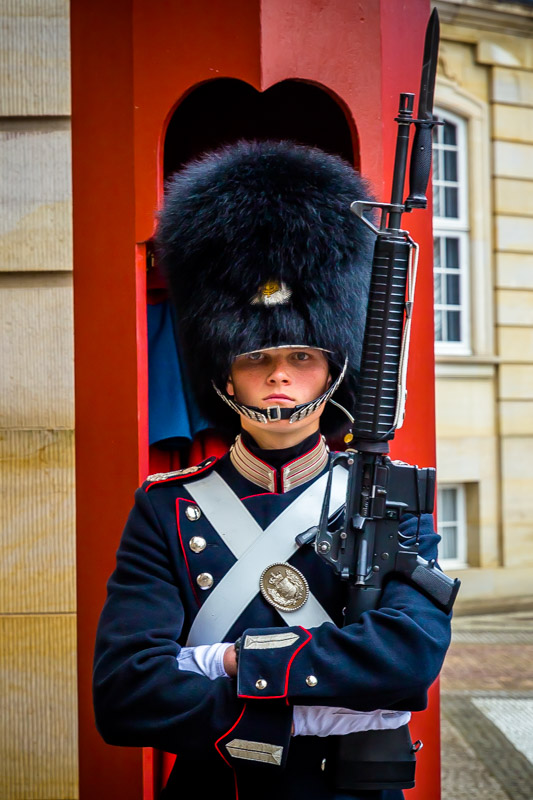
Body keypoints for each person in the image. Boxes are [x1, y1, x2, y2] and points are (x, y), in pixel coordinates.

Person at [93, 141, 451, 800]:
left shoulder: (392, 498)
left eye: (302, 356)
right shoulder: (166, 509)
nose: (280, 375)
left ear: (334, 365)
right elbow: (126, 692)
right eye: (256, 358)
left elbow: (407, 660)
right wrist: (281, 724)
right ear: (223, 371)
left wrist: (222, 662)